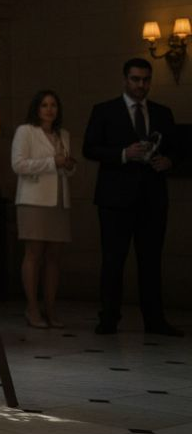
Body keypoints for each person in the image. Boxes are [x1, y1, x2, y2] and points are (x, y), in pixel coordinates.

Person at [82, 58, 183, 336]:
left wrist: (169, 162)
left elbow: (178, 149)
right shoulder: (105, 111)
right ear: (125, 79)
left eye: (146, 80)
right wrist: (124, 154)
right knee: (113, 260)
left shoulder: (163, 112)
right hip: (115, 199)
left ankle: (155, 320)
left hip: (152, 199)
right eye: (136, 79)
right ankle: (109, 318)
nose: (141, 85)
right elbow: (89, 148)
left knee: (151, 261)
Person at [11, 90, 75, 329]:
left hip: (58, 200)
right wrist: (52, 162)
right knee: (33, 254)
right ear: (36, 109)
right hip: (34, 200)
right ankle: (32, 307)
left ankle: (50, 308)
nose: (49, 110)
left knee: (54, 258)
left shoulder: (63, 134)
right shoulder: (26, 131)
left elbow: (66, 169)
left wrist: (68, 166)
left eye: (53, 105)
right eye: (44, 105)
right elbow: (18, 165)